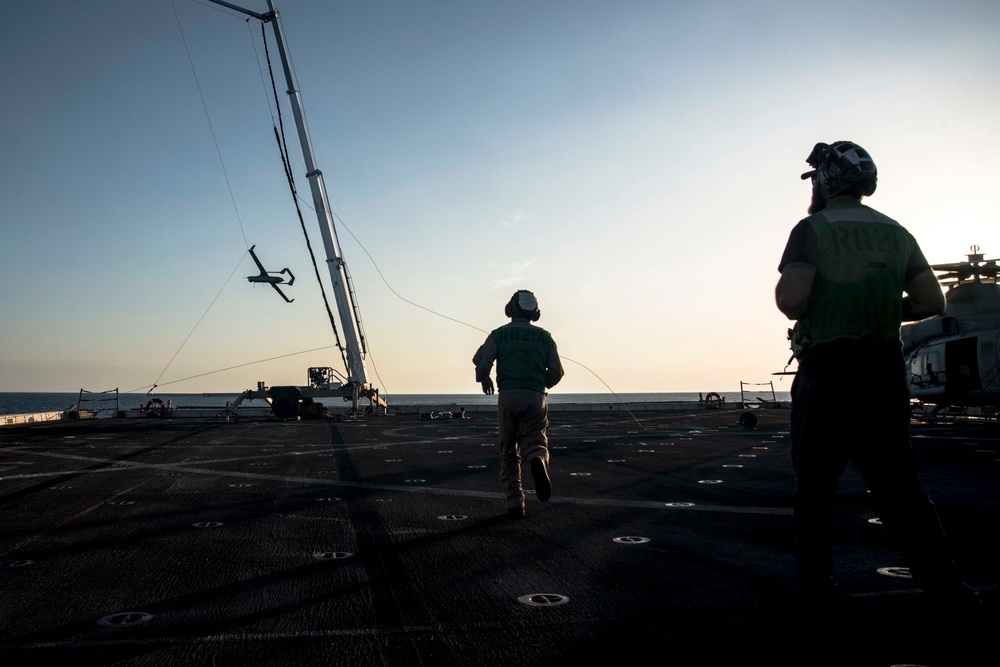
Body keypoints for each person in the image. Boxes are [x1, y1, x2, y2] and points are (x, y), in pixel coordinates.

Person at [775, 141, 979, 609]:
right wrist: (887, 307)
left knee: (815, 492)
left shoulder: (811, 229)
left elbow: (792, 301)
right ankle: (952, 598)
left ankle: (818, 594)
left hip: (826, 375)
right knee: (901, 492)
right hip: (883, 375)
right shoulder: (897, 233)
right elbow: (932, 303)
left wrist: (820, 304)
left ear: (824, 180)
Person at [473, 290, 564, 518]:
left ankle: (515, 503)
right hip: (535, 396)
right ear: (534, 312)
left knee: (508, 449)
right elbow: (557, 372)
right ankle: (537, 459)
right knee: (535, 440)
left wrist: (485, 378)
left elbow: (482, 366)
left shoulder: (498, 335)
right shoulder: (545, 337)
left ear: (511, 309)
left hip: (508, 395)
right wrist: (540, 382)